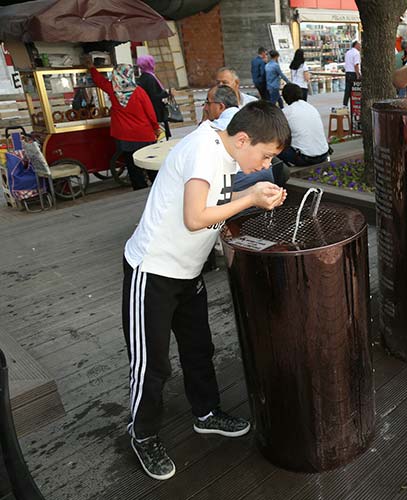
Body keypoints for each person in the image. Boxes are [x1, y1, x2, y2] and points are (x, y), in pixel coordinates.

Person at [122, 101, 291, 481]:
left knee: (199, 347)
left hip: (188, 269)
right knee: (152, 363)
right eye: (264, 157)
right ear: (243, 139)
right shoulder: (203, 151)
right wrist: (250, 198)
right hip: (153, 269)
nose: (265, 165)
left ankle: (206, 412)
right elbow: (195, 216)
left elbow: (217, 196)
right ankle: (143, 433)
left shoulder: (228, 142)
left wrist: (254, 192)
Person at [89, 63, 158, 191]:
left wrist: (92, 68)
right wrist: (155, 127)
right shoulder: (139, 92)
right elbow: (150, 112)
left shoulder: (112, 89)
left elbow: (100, 81)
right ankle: (158, 187)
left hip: (125, 136)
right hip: (144, 134)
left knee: (132, 165)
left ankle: (139, 189)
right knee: (149, 163)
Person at [204, 85, 276, 188]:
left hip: (242, 176)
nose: (206, 108)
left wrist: (204, 121)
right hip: (267, 173)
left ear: (220, 106)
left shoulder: (214, 128)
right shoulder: (251, 116)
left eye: (208, 103)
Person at [278, 84, 329, 166]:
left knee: (274, 144)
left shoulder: (286, 112)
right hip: (324, 154)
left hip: (305, 158)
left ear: (285, 97)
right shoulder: (311, 107)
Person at [136, 55, 171, 140]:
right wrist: (167, 93)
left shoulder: (142, 78)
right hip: (156, 112)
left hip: (149, 112)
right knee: (161, 136)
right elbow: (154, 96)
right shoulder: (150, 78)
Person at [343, 41, 361, 106]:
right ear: (356, 45)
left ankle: (345, 104)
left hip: (347, 73)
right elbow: (356, 65)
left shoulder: (348, 52)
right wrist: (358, 74)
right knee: (355, 91)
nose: (360, 47)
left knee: (347, 90)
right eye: (359, 45)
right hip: (353, 73)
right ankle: (354, 105)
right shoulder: (356, 53)